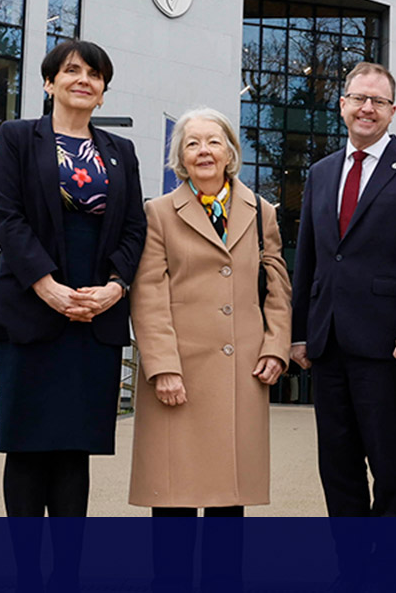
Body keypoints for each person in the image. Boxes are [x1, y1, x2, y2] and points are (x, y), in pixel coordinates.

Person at [0, 39, 146, 518]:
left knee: (76, 448)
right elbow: (7, 217)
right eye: (73, 71)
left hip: (95, 313)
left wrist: (115, 287)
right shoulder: (18, 137)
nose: (84, 80)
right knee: (27, 444)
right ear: (49, 82)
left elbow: (134, 228)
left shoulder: (121, 151)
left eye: (95, 75)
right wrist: (47, 287)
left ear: (103, 92)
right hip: (32, 307)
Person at [290, 62, 396, 518]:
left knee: (388, 461)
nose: (367, 108)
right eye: (359, 98)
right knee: (337, 463)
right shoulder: (321, 172)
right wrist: (299, 333)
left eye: (378, 101)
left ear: (392, 111)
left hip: (389, 343)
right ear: (342, 105)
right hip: (328, 341)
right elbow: (308, 258)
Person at [129, 107, 290, 513]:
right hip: (179, 372)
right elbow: (148, 293)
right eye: (192, 143)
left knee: (229, 502)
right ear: (180, 157)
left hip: (243, 371)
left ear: (230, 152)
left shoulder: (262, 213)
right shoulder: (158, 213)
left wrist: (276, 348)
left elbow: (277, 288)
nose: (204, 151)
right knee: (174, 498)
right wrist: (162, 367)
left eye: (214, 142)